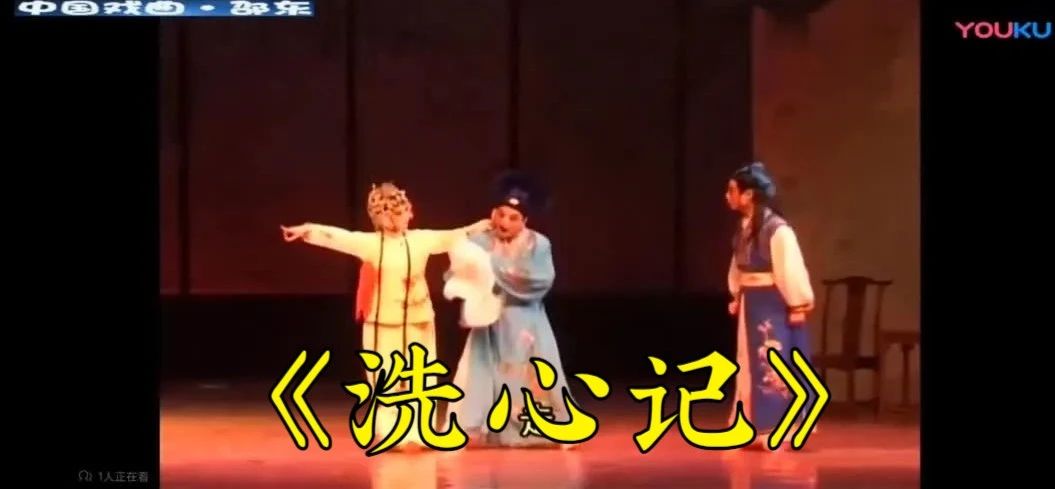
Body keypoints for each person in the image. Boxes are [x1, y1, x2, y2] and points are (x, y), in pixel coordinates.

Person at [281, 182, 490, 451]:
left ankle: (417, 431)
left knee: (420, 375)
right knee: (385, 376)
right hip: (382, 321)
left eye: (404, 212)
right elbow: (337, 237)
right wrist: (307, 230)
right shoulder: (370, 244)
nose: (404, 217)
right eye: (397, 213)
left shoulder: (420, 240)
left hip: (418, 319)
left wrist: (479, 227)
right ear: (383, 217)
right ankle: (390, 430)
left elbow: (453, 236)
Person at [448, 172, 573, 448]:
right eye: (501, 215)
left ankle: (546, 427)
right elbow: (459, 271)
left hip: (526, 319)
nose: (504, 222)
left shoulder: (538, 244)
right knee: (481, 370)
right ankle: (476, 426)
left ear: (524, 220)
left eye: (513, 217)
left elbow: (540, 280)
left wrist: (494, 268)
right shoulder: (480, 242)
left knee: (533, 372)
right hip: (491, 318)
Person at [724, 162, 816, 447]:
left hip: (772, 304)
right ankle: (751, 426)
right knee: (749, 364)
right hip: (752, 302)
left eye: (732, 190)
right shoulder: (744, 229)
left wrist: (797, 304)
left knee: (773, 361)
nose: (727, 196)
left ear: (749, 195)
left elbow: (790, 269)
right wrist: (737, 294)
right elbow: (738, 267)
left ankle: (780, 428)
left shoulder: (777, 230)